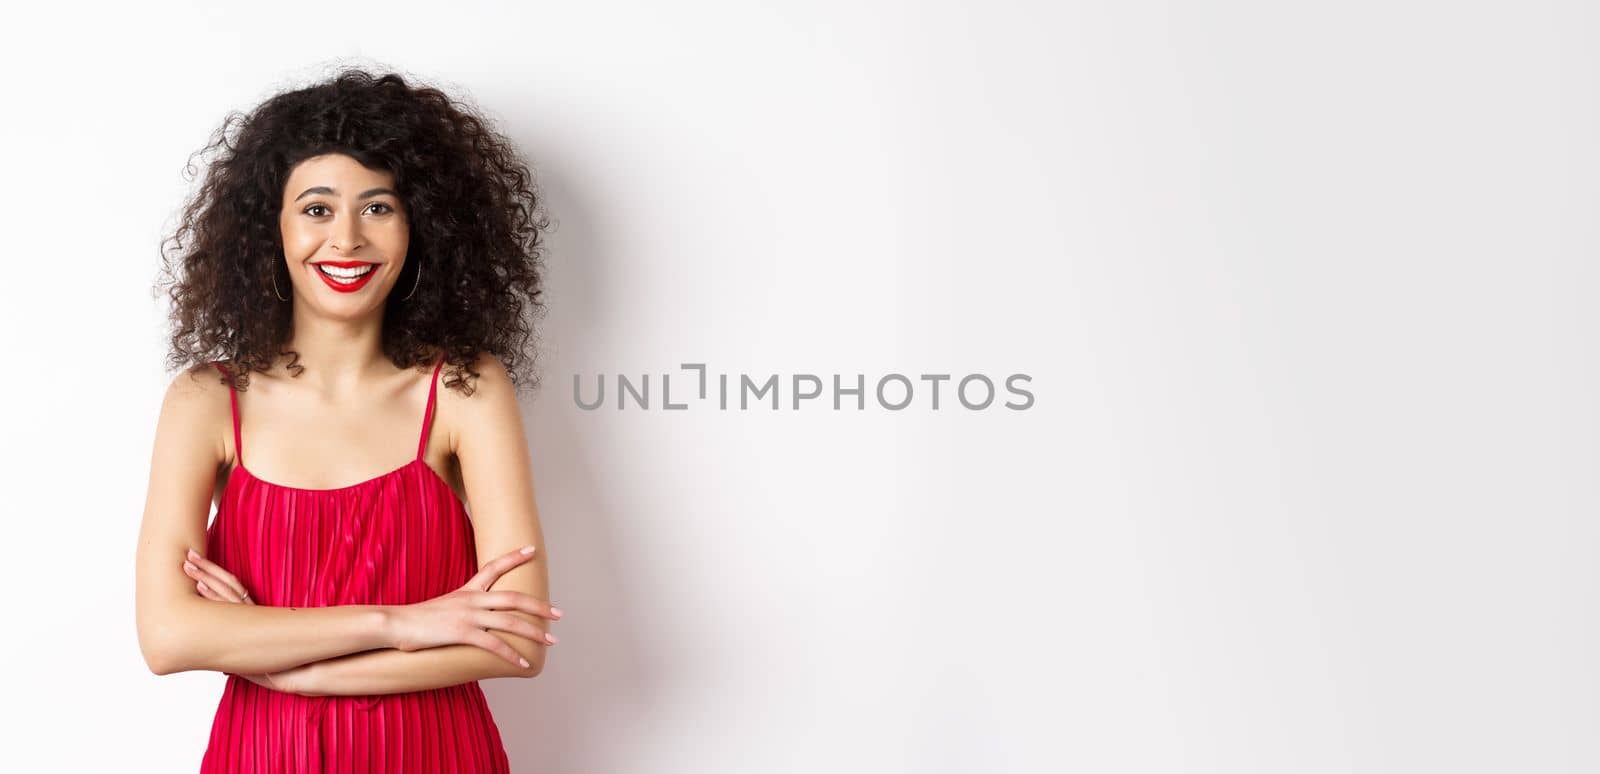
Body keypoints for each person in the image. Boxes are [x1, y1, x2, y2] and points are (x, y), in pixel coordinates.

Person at [134, 67, 559, 772]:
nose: (349, 240)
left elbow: (515, 642)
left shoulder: (464, 388)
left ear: (421, 225)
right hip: (263, 758)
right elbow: (168, 637)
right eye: (318, 209)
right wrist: (406, 623)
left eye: (379, 208)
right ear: (270, 227)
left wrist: (289, 664)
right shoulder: (208, 400)